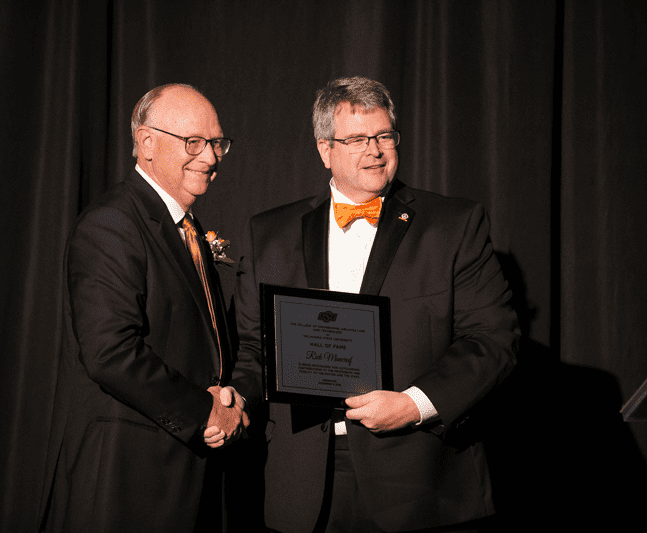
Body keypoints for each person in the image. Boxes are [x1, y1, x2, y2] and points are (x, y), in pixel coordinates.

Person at [233, 76, 519, 532]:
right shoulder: (269, 232)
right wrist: (233, 400)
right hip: (302, 482)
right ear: (325, 149)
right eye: (358, 139)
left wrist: (414, 404)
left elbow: (492, 340)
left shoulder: (453, 224)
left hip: (419, 480)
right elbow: (254, 347)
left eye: (385, 135)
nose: (376, 150)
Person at [40, 84, 252, 533]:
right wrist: (205, 411)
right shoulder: (113, 223)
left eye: (217, 143)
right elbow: (109, 353)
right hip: (128, 478)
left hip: (189, 474)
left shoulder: (186, 226)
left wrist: (230, 397)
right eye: (193, 142)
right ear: (146, 142)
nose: (211, 157)